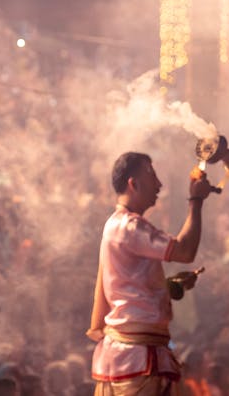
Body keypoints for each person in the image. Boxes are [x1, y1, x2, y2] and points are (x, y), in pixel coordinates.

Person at [87, 152, 213, 395]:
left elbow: (129, 285)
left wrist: (170, 286)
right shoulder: (131, 226)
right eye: (152, 176)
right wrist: (195, 200)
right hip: (137, 357)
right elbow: (185, 251)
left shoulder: (114, 224)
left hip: (128, 351)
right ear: (133, 184)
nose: (159, 184)